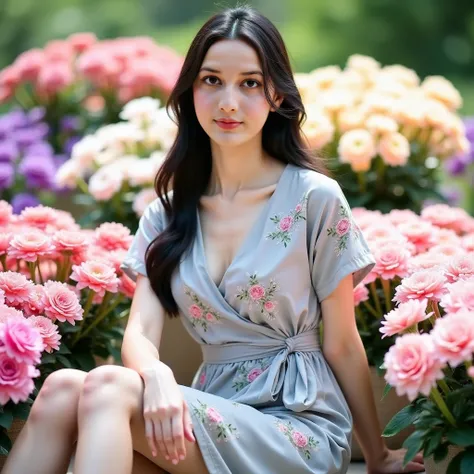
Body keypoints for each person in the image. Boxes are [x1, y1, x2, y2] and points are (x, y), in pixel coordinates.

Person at [2, 6, 426, 474]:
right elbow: (140, 333)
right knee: (64, 387)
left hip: (296, 426)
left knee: (106, 387)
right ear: (191, 91)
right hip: (204, 418)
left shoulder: (313, 198)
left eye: (249, 83)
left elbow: (343, 343)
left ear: (277, 96)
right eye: (211, 80)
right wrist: (157, 375)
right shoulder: (167, 213)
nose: (228, 102)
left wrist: (379, 455)